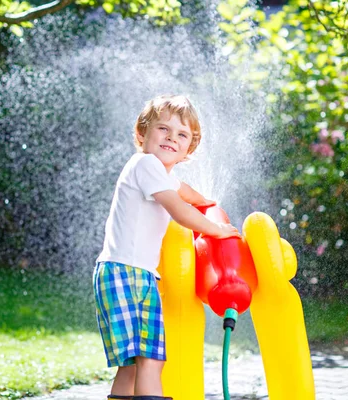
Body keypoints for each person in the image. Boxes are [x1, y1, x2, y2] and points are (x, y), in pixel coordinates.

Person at [93, 95, 241, 400]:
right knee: (149, 360)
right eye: (164, 129)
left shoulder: (159, 174)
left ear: (189, 149)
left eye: (181, 134)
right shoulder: (145, 164)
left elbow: (186, 193)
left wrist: (208, 204)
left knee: (134, 365)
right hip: (126, 272)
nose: (171, 138)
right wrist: (217, 229)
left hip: (134, 274)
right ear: (142, 133)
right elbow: (178, 208)